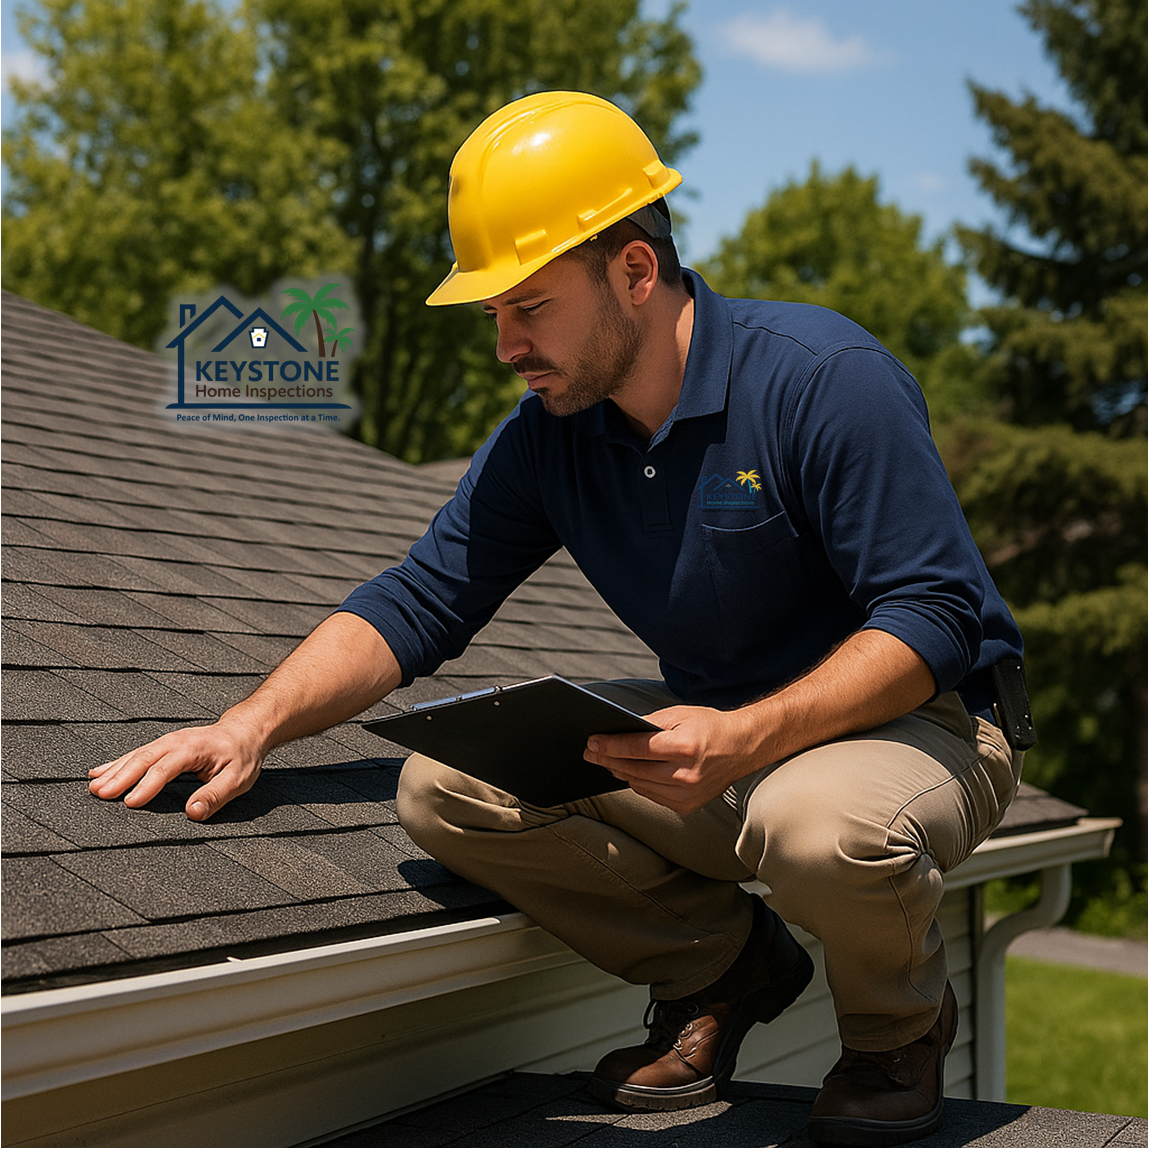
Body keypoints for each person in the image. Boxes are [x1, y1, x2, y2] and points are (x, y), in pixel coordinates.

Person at [90, 92, 1026, 1147]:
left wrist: (745, 735)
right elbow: (418, 600)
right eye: (492, 313)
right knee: (451, 785)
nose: (505, 345)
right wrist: (247, 725)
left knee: (821, 827)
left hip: (921, 726)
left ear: (633, 269)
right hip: (718, 735)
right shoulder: (552, 436)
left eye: (527, 305)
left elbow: (937, 613)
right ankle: (721, 966)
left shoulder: (822, 381)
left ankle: (897, 1034)